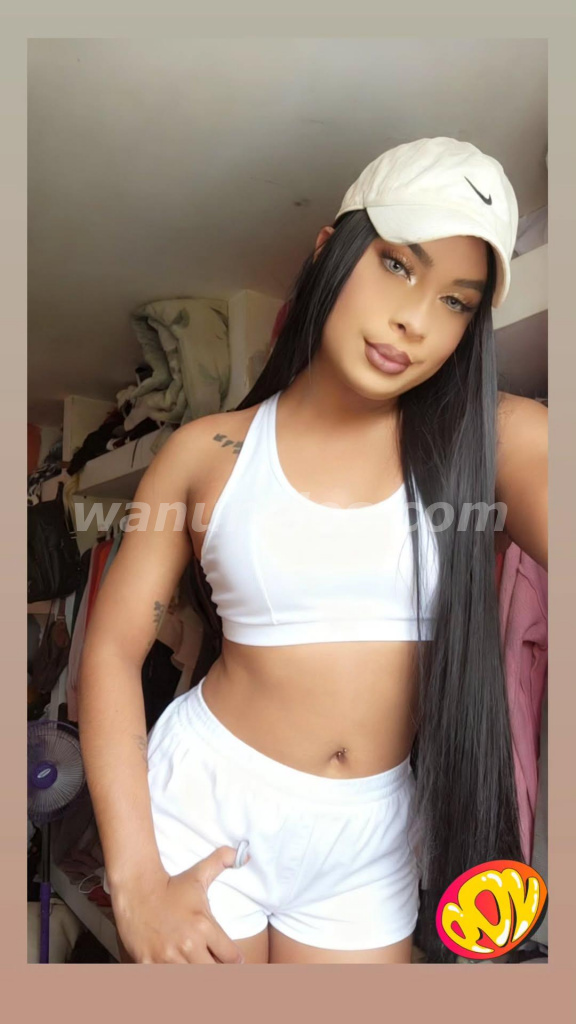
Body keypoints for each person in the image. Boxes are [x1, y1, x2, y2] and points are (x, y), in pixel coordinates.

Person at [77, 137, 548, 965]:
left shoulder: (494, 441)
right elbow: (113, 650)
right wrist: (135, 880)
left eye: (455, 302)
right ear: (330, 250)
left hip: (372, 839)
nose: (415, 320)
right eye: (397, 265)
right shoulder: (205, 452)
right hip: (204, 810)